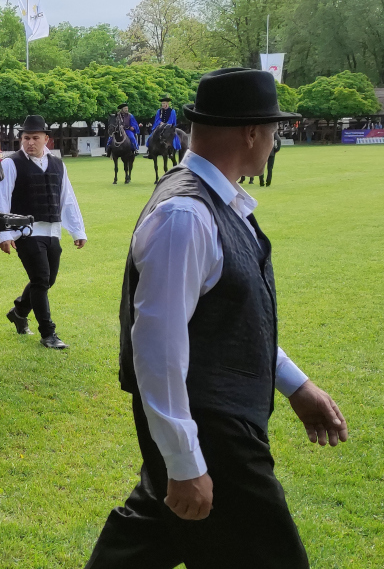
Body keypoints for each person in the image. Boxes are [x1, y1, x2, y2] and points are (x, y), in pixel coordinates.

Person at [86, 68, 348, 569]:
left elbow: (230, 320)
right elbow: (158, 349)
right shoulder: (185, 215)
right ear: (250, 132)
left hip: (213, 424)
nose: (274, 142)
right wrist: (185, 463)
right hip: (214, 434)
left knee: (144, 541)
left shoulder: (219, 203)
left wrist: (295, 385)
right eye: (272, 130)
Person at [0, 115, 87, 349]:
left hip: (52, 232)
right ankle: (48, 333)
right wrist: (3, 235)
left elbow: (67, 199)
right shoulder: (11, 164)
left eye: (35, 138)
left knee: (46, 280)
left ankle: (19, 311)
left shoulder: (58, 164)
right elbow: (1, 200)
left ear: (46, 139)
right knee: (41, 279)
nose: (30, 142)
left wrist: (77, 231)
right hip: (25, 233)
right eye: (26, 138)